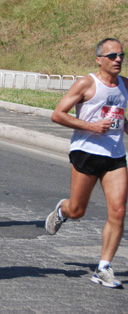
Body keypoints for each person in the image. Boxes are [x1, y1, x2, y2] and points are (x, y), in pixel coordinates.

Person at [46, 38, 128, 288]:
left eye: (121, 55)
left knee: (119, 210)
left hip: (115, 155)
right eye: (112, 55)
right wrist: (91, 126)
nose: (118, 60)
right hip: (86, 152)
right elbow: (57, 114)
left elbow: (122, 120)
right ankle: (63, 210)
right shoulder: (86, 83)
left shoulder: (125, 85)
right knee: (78, 210)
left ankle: (104, 267)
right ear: (99, 59)